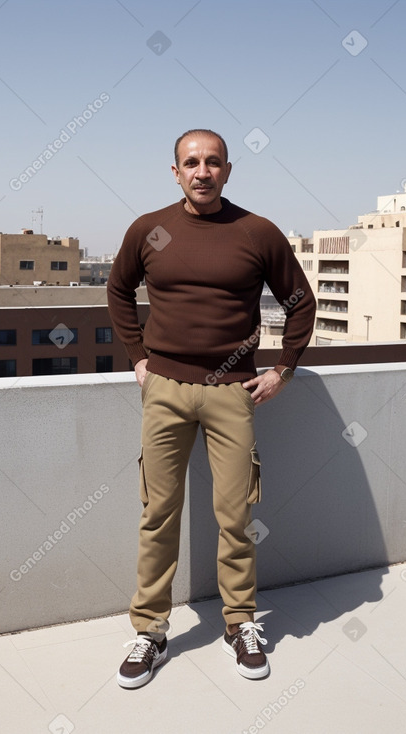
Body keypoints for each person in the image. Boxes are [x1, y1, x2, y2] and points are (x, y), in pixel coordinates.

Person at [107, 129, 316, 689]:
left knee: (236, 516)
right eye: (191, 162)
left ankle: (240, 623)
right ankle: (149, 631)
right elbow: (118, 290)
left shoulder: (257, 231)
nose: (202, 171)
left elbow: (301, 301)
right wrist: (137, 358)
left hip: (234, 393)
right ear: (175, 171)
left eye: (213, 162)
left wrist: (283, 368)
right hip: (166, 387)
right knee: (158, 513)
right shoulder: (149, 229)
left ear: (228, 170)